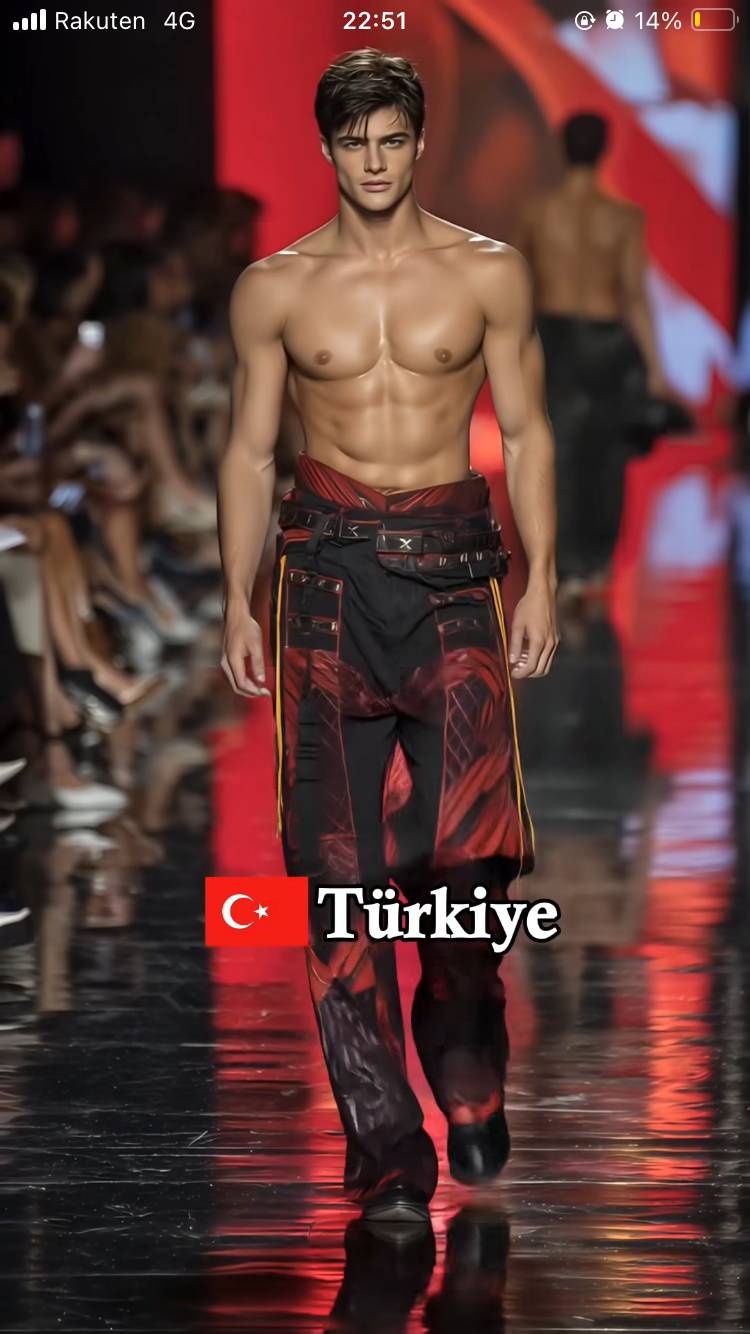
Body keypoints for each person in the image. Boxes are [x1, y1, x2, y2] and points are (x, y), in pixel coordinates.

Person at [218, 48, 558, 1224]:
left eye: (393, 139)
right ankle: (386, 1154)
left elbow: (530, 426)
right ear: (328, 146)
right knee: (334, 887)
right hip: (323, 586)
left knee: (471, 873)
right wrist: (235, 595)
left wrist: (547, 576)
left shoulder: (487, 271)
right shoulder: (274, 288)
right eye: (354, 141)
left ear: (419, 142)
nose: (374, 161)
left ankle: (468, 1068)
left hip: (457, 584)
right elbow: (248, 451)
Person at [513, 112, 670, 600]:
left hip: (554, 338)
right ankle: (595, 564)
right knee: (604, 458)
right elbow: (634, 296)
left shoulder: (537, 213)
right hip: (606, 344)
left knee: (555, 453)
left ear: (562, 148)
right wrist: (656, 369)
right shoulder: (622, 217)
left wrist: (511, 350)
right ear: (604, 151)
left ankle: (559, 563)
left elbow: (516, 286)